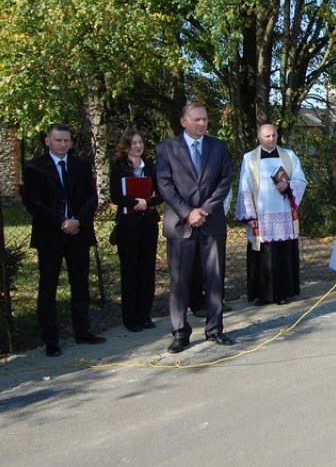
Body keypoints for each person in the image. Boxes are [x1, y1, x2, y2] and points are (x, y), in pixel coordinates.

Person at [156, 103, 234, 353]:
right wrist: (188, 212)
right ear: (183, 122)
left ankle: (215, 328)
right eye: (197, 119)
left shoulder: (218, 147)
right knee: (180, 280)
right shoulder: (167, 148)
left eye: (205, 119)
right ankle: (180, 332)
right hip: (180, 225)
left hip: (211, 223)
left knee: (215, 277)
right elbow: (165, 185)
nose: (202, 124)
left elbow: (225, 180)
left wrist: (205, 209)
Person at [22, 123, 105, 357]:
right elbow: (34, 204)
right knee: (48, 287)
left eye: (66, 140)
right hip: (50, 236)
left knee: (80, 284)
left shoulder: (81, 165)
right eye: (58, 140)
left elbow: (91, 197)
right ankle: (51, 339)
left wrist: (77, 221)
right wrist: (62, 222)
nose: (63, 144)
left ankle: (83, 331)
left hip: (78, 233)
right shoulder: (35, 168)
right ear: (48, 141)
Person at [234, 123, 307, 305]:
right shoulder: (249, 158)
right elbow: (244, 187)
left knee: (282, 254)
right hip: (261, 215)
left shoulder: (289, 156)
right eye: (267, 136)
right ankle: (263, 295)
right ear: (259, 138)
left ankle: (283, 293)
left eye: (274, 135)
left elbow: (301, 180)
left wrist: (288, 185)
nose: (271, 138)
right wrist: (250, 215)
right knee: (262, 254)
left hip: (283, 214)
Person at [109, 129, 162, 332]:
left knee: (147, 270)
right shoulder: (119, 167)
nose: (138, 146)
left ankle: (145, 314)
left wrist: (147, 202)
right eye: (133, 143)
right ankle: (130, 318)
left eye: (140, 142)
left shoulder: (150, 166)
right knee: (130, 271)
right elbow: (115, 195)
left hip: (148, 223)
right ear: (125, 146)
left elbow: (161, 193)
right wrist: (135, 202)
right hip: (128, 225)